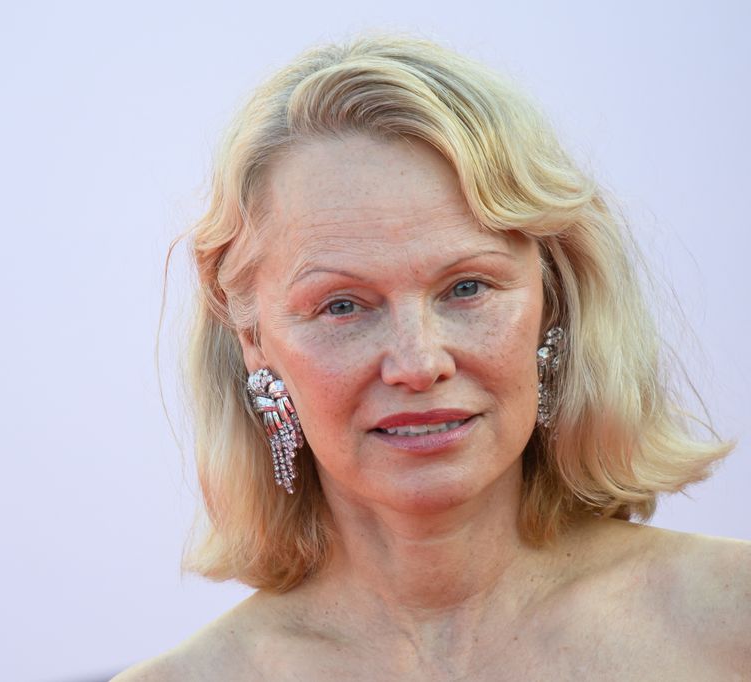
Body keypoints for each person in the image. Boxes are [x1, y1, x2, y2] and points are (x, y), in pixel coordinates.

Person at [117, 35, 750, 680]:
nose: (418, 364)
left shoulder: (734, 623)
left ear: (552, 302)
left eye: (466, 287)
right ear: (254, 341)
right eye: (342, 306)